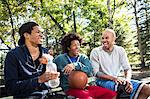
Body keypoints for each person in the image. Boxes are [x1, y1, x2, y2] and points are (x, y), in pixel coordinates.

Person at [4, 22, 60, 98]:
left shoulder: (46, 53)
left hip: (47, 95)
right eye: (38, 32)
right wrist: (38, 80)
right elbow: (11, 88)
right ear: (26, 35)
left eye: (42, 32)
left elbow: (50, 81)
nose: (42, 35)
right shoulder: (13, 55)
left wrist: (53, 76)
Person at [90, 29, 150, 99]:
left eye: (107, 38)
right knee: (123, 87)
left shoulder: (120, 50)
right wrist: (113, 78)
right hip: (102, 81)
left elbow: (127, 68)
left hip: (117, 80)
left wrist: (127, 80)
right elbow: (96, 73)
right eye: (102, 38)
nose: (104, 40)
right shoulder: (96, 52)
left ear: (113, 39)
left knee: (147, 89)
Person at [54, 33, 117, 99]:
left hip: (85, 87)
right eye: (74, 45)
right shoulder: (60, 59)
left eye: (78, 45)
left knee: (111, 94)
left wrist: (76, 65)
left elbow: (90, 71)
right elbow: (51, 71)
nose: (77, 47)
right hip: (69, 89)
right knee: (88, 98)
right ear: (68, 47)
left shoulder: (83, 58)